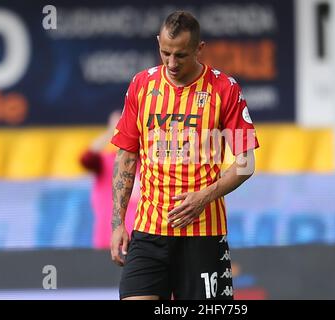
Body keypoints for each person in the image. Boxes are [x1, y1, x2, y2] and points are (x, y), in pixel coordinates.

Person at [110, 10, 259, 300]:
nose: (172, 63)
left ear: (199, 49)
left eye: (181, 55)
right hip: (149, 230)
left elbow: (246, 162)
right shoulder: (142, 86)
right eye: (165, 53)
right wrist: (117, 224)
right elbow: (127, 156)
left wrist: (203, 197)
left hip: (203, 234)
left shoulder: (225, 89)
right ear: (158, 43)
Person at [80, 110, 139, 249]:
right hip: (108, 241)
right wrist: (113, 131)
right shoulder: (106, 161)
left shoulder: (150, 163)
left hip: (141, 243)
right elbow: (86, 157)